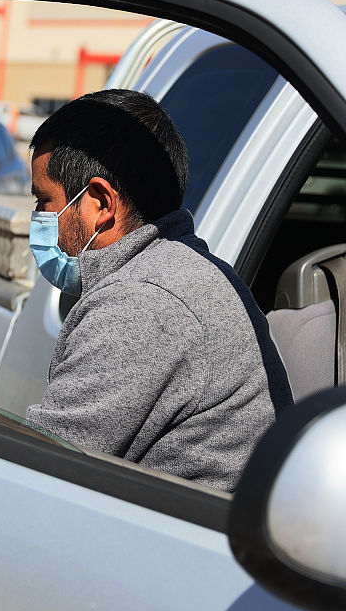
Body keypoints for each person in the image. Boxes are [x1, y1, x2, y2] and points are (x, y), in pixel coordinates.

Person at [22, 89, 291, 493]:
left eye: (45, 201)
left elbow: (34, 469)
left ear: (100, 203)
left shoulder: (142, 304)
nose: (39, 218)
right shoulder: (179, 270)